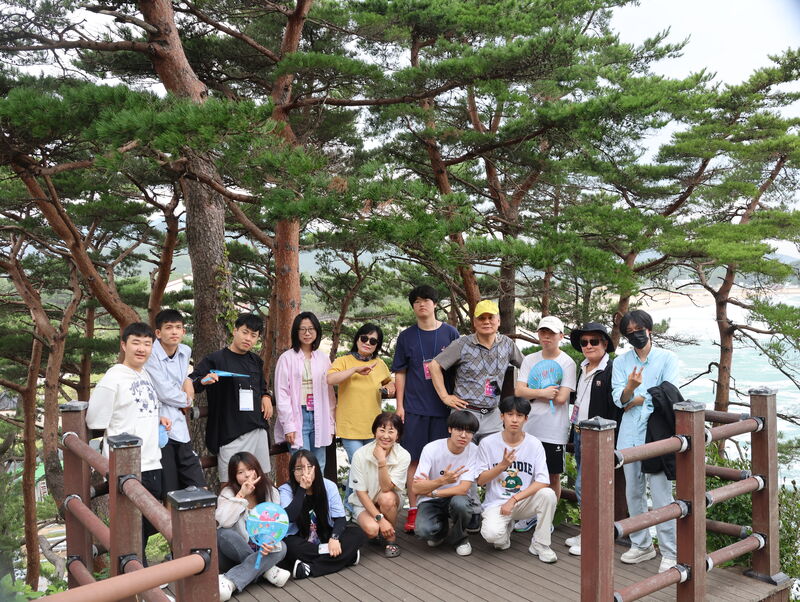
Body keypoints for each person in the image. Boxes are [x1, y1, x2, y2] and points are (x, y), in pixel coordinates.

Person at [86, 322, 171, 562]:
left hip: (152, 462)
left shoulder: (144, 374)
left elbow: (138, 409)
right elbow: (95, 419)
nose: (141, 348)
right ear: (124, 345)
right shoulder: (113, 378)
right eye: (136, 343)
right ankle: (138, 577)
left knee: (143, 528)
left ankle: (140, 574)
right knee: (135, 531)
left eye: (147, 344)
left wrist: (157, 418)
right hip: (127, 466)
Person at [612, 309, 679, 573]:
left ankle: (671, 552)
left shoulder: (667, 358)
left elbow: (669, 393)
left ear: (649, 330)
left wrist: (636, 398)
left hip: (657, 435)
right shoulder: (621, 362)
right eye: (629, 333)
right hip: (629, 436)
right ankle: (641, 545)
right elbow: (619, 400)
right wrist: (630, 387)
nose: (635, 336)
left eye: (639, 330)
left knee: (662, 494)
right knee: (633, 492)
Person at [391, 285, 460, 533]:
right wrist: (400, 406)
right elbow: (400, 372)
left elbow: (461, 369)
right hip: (415, 408)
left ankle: (441, 508)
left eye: (427, 300)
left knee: (443, 461)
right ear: (413, 307)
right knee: (414, 461)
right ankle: (413, 508)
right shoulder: (406, 336)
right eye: (417, 301)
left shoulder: (450, 333)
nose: (422, 304)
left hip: (444, 410)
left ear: (435, 304)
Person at [190, 313, 273, 484]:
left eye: (253, 335)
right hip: (229, 433)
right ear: (235, 331)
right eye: (245, 332)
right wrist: (203, 381)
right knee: (230, 485)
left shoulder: (255, 361)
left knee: (261, 482)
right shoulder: (215, 359)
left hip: (257, 429)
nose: (248, 338)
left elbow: (261, 386)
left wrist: (266, 396)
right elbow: (193, 382)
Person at [563, 321, 621, 556]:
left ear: (605, 344)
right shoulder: (583, 367)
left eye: (594, 341)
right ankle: (588, 531)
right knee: (585, 485)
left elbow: (616, 406)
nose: (588, 346)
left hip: (598, 437)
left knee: (587, 486)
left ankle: (593, 536)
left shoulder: (611, 370)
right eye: (584, 342)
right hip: (580, 433)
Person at [428, 299, 523, 442]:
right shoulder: (461, 344)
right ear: (474, 322)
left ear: (498, 321)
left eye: (490, 317)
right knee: (463, 455)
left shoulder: (507, 344)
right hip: (464, 413)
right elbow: (434, 365)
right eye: (481, 318)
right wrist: (445, 397)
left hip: (493, 415)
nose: (486, 322)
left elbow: (526, 366)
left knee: (493, 454)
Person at [477, 396, 558, 563]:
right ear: (502, 416)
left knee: (548, 494)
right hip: (496, 504)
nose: (514, 420)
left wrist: (513, 500)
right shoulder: (487, 443)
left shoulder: (534, 444)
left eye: (519, 415)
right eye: (510, 414)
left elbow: (543, 480)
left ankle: (540, 544)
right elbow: (480, 480)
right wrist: (501, 466)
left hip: (522, 501)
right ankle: (505, 529)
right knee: (493, 536)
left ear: (526, 419)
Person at [514, 315, 576, 531]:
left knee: (552, 475)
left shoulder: (567, 362)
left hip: (554, 430)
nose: (546, 337)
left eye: (551, 333)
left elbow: (561, 398)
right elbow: (519, 391)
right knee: (526, 472)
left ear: (561, 336)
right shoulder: (530, 359)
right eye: (543, 332)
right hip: (529, 427)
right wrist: (543, 392)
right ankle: (528, 514)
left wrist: (532, 392)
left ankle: (545, 519)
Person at [327, 323, 394, 511]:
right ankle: (350, 507)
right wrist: (355, 370)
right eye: (364, 338)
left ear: (377, 345)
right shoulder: (344, 361)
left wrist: (389, 388)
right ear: (357, 339)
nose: (367, 343)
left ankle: (350, 506)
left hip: (374, 428)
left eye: (373, 341)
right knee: (360, 464)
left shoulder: (380, 364)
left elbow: (390, 383)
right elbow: (330, 379)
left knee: (366, 466)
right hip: (349, 426)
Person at [144, 309, 206, 496]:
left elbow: (181, 380)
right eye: (169, 327)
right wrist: (187, 399)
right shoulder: (150, 354)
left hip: (179, 425)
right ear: (158, 333)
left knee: (198, 484)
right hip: (160, 424)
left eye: (178, 327)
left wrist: (187, 382)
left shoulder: (185, 351)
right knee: (170, 489)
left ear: (184, 331)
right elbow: (163, 392)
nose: (174, 332)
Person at [278, 450, 366, 579]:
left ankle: (310, 569)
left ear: (316, 468)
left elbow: (340, 518)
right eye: (299, 468)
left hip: (326, 536)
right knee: (288, 547)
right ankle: (347, 557)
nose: (305, 472)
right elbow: (289, 517)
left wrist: (334, 538)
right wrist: (302, 489)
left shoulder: (329, 486)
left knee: (357, 534)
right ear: (292, 471)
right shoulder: (286, 489)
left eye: (309, 467)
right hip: (301, 540)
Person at [215, 452, 289, 600]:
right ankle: (267, 570)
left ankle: (230, 581)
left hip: (262, 550)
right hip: (232, 554)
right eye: (240, 472)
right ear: (234, 476)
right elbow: (223, 522)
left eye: (250, 469)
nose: (247, 475)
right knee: (224, 533)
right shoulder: (227, 493)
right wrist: (241, 495)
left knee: (282, 547)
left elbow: (275, 524)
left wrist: (270, 541)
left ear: (257, 469)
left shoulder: (270, 492)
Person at [411, 410, 481, 556]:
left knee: (461, 505)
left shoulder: (474, 450)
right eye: (459, 429)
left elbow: (463, 489)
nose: (463, 435)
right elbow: (416, 487)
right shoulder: (431, 449)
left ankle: (460, 539)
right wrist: (443, 480)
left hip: (454, 497)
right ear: (450, 429)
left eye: (469, 432)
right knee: (423, 531)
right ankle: (440, 532)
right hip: (430, 500)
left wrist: (433, 491)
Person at [275, 312, 335, 471]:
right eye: (302, 329)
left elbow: (329, 394)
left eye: (311, 329)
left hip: (320, 414)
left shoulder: (323, 358)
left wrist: (331, 423)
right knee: (302, 465)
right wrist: (288, 426)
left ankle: (318, 489)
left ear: (317, 331)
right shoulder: (287, 358)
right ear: (296, 331)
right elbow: (282, 394)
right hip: (298, 416)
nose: (307, 333)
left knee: (319, 464)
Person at [348, 412, 410, 558]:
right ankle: (378, 529)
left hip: (389, 500)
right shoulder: (360, 454)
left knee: (386, 498)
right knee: (372, 530)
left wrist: (381, 461)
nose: (386, 436)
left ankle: (391, 540)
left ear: (398, 435)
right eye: (382, 430)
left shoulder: (403, 455)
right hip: (364, 503)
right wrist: (380, 519)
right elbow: (361, 493)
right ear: (375, 432)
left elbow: (387, 488)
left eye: (391, 431)